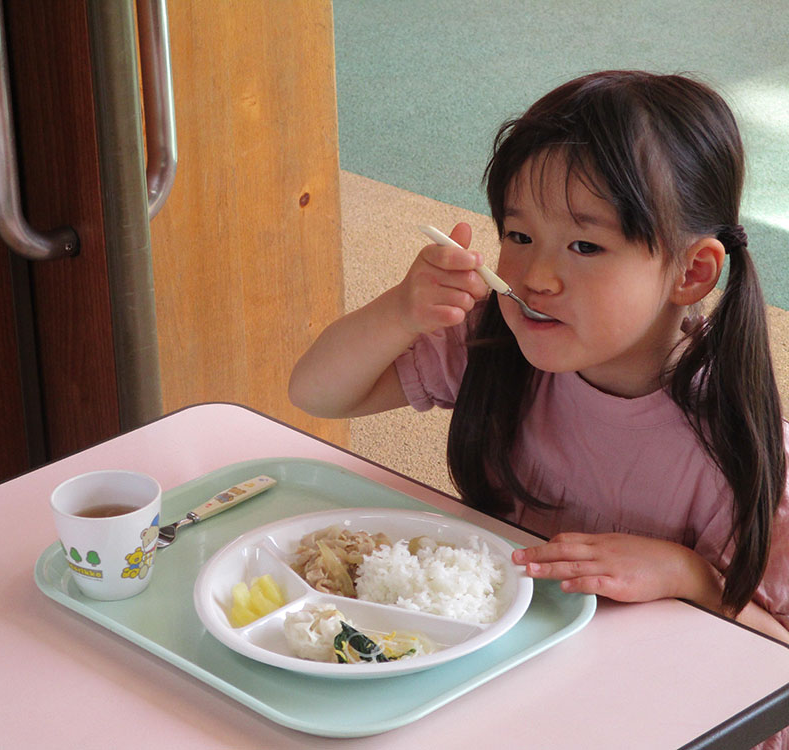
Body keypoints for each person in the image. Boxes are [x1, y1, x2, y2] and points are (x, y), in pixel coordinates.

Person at [290, 71, 789, 657]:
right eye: (519, 235)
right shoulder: (495, 343)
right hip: (501, 658)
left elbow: (774, 658)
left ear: (692, 273)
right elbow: (318, 393)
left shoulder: (741, 451)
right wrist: (401, 311)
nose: (536, 277)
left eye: (585, 246)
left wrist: (689, 576)